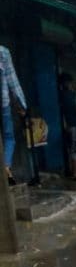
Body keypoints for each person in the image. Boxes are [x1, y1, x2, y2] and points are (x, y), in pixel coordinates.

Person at [1, 45, 27, 185]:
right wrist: (21, 105)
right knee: (9, 137)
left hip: (4, 103)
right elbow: (13, 81)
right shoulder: (2, 52)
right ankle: (6, 167)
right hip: (3, 104)